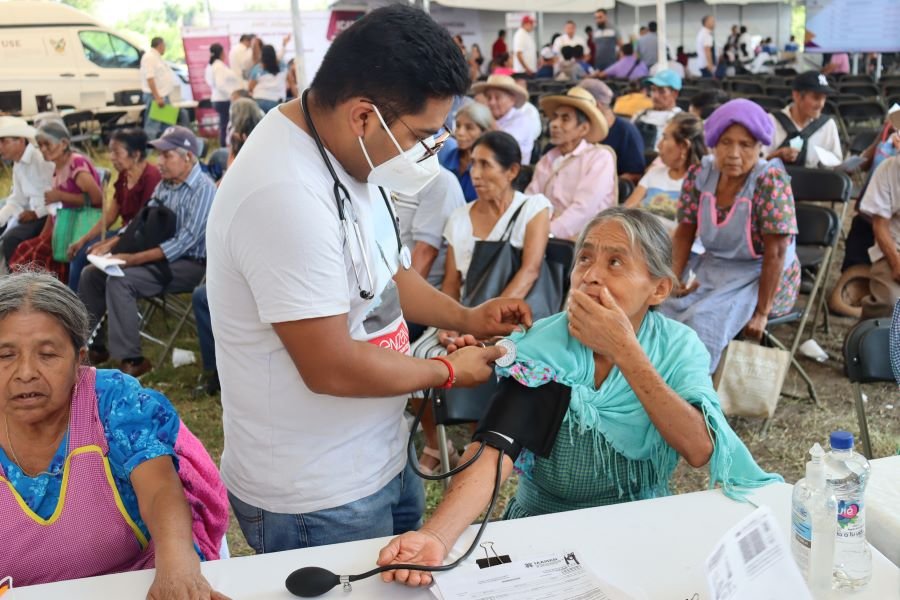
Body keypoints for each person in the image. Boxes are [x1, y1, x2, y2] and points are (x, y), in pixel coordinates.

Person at [207, 5, 531, 553]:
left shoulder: (353, 156)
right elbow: (329, 365)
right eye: (425, 135)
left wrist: (465, 316)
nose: (433, 150)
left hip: (380, 450)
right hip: (319, 492)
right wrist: (447, 370)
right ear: (363, 116)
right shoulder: (283, 194)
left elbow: (387, 272)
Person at [375, 208, 782, 587]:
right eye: (584, 259)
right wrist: (435, 536)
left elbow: (699, 448)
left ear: (658, 289)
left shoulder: (679, 348)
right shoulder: (548, 345)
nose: (590, 275)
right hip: (541, 528)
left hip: (640, 525)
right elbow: (495, 449)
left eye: (615, 262)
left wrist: (624, 350)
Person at [0, 271, 228, 595]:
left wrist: (177, 568)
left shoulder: (110, 401)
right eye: (5, 355)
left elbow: (159, 487)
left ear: (78, 360)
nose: (25, 373)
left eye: (47, 354)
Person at [411, 131, 552, 471]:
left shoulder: (533, 207)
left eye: (486, 164)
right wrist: (449, 324)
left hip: (515, 318)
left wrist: (489, 320)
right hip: (463, 314)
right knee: (418, 356)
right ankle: (436, 444)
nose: (475, 172)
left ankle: (484, 448)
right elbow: (450, 285)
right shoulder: (459, 218)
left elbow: (530, 271)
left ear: (512, 170)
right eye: (473, 163)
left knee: (495, 358)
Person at [661, 99, 800, 372]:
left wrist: (761, 313)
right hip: (714, 266)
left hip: (761, 275)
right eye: (725, 142)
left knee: (702, 321)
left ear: (761, 147)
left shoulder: (769, 180)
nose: (734, 153)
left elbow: (777, 253)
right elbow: (685, 230)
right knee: (664, 311)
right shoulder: (700, 173)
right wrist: (674, 277)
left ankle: (690, 397)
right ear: (713, 143)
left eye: (745, 145)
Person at [79, 126, 214, 378]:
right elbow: (140, 220)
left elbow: (184, 242)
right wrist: (111, 244)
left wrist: (132, 260)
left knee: (121, 279)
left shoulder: (204, 189)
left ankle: (132, 359)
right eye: (159, 155)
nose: (159, 162)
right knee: (91, 274)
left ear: (188, 157)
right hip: (154, 256)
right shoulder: (165, 185)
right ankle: (91, 347)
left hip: (190, 265)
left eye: (166, 155)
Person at [67, 128, 161, 292]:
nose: (111, 157)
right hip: (124, 233)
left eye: (117, 152)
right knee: (82, 250)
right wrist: (83, 239)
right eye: (111, 152)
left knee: (88, 255)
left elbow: (143, 223)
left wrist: (108, 243)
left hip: (141, 237)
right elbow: (110, 216)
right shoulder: (124, 176)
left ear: (136, 154)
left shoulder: (151, 177)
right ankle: (75, 305)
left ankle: (78, 307)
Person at [8, 122, 103, 278]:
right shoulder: (57, 168)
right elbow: (54, 211)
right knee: (24, 249)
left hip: (80, 228)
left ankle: (49, 298)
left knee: (34, 256)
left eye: (48, 144)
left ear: (64, 143)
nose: (43, 149)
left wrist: (60, 196)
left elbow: (97, 199)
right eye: (40, 145)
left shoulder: (76, 163)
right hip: (62, 227)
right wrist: (43, 237)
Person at [527, 87, 615, 240]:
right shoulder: (548, 158)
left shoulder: (599, 158)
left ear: (583, 129)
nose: (554, 124)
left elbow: (583, 210)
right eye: (555, 117)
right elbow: (531, 198)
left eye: (565, 119)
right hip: (541, 233)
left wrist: (545, 233)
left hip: (582, 240)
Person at [625, 113, 707, 231]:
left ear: (684, 146)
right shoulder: (653, 173)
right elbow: (628, 210)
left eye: (665, 138)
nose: (658, 145)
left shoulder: (702, 183)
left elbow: (692, 233)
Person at [0, 117, 54, 257]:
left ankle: (16, 278)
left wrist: (36, 213)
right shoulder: (18, 163)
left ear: (21, 141)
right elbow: (17, 199)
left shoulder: (41, 159)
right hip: (30, 213)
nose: (0, 147)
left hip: (47, 216)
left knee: (11, 238)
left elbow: (58, 195)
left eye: (4, 141)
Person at [765, 71, 842, 168]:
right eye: (816, 98)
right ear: (796, 96)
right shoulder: (771, 121)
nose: (821, 104)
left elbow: (836, 164)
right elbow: (756, 164)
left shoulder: (828, 125)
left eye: (824, 98)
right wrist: (776, 156)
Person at [579, 80, 645, 183]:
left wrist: (605, 185)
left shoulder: (626, 131)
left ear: (597, 105)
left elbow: (635, 174)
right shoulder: (579, 129)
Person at [858, 156, 900, 318]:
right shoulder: (889, 169)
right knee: (891, 303)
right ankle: (865, 342)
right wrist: (896, 263)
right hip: (894, 249)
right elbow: (880, 226)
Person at [472, 75, 540, 165]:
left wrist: (487, 114)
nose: (492, 102)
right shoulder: (488, 119)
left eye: (497, 97)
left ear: (512, 100)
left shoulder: (523, 120)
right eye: (489, 98)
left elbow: (502, 145)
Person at [440, 101, 494, 202]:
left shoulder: (490, 165)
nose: (460, 133)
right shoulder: (446, 158)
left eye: (469, 128)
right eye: (458, 126)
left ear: (484, 132)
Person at [205, 42, 244, 148]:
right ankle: (225, 146)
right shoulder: (218, 66)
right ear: (222, 53)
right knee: (226, 125)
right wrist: (232, 93)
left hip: (219, 99)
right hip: (223, 100)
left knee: (225, 124)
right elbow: (220, 84)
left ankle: (225, 145)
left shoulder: (212, 66)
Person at [139, 37, 179, 140]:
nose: (165, 48)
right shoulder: (149, 57)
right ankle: (146, 152)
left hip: (163, 95)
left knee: (168, 126)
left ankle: (168, 150)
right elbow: (150, 78)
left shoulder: (157, 57)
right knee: (152, 127)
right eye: (164, 46)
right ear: (160, 45)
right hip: (156, 96)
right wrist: (157, 97)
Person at [634, 69, 683, 148]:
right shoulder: (639, 115)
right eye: (653, 90)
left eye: (661, 91)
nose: (655, 96)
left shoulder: (680, 119)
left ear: (675, 94)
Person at [248, 44, 286, 114]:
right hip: (277, 101)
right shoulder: (283, 66)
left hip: (259, 100)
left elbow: (250, 87)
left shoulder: (258, 68)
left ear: (262, 55)